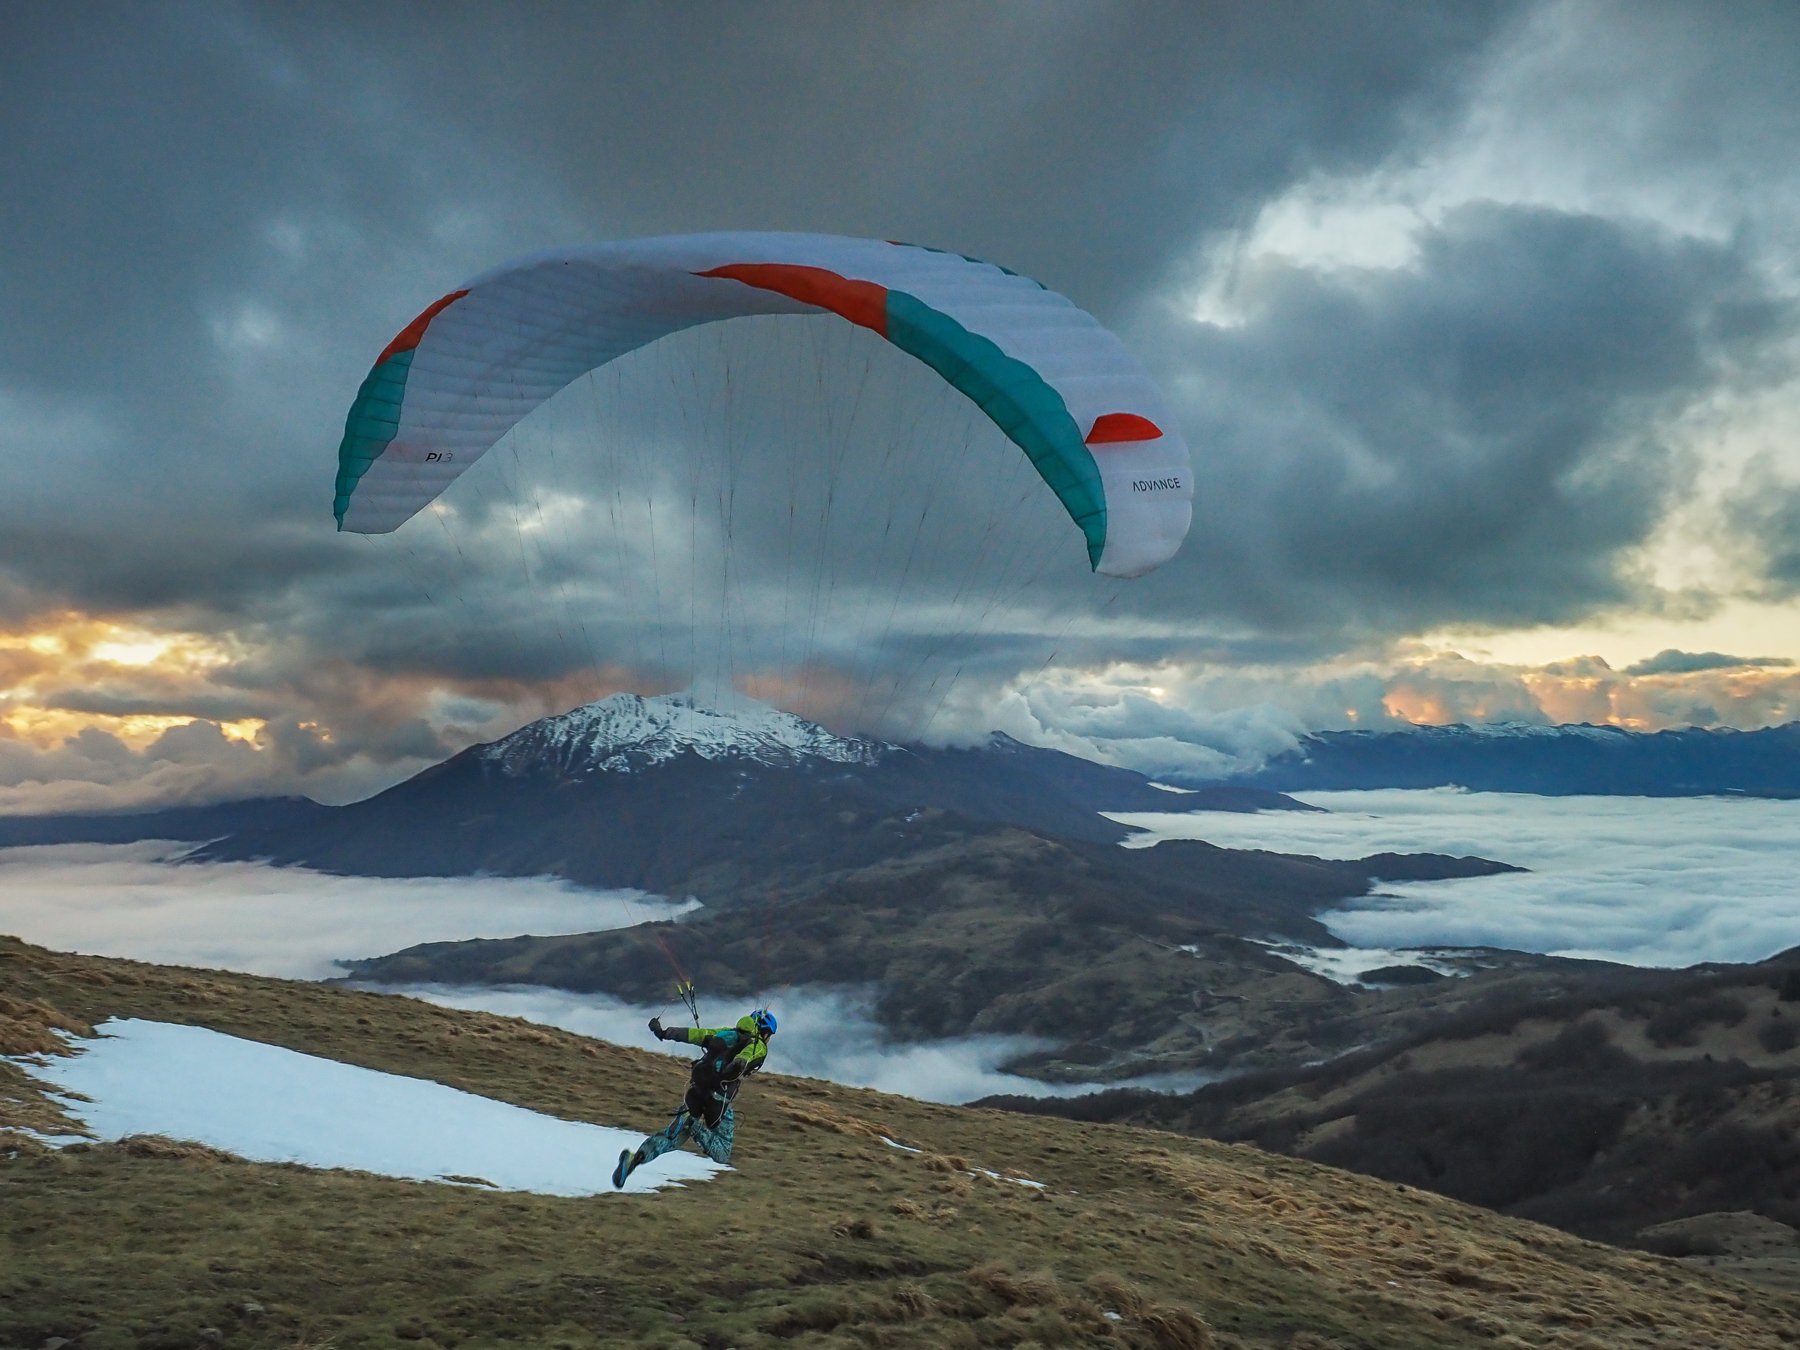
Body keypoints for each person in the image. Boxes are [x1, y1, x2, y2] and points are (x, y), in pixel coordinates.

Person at [612, 1008, 777, 1188]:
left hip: (695, 1092)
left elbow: (695, 1034)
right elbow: (750, 1054)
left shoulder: (724, 1033)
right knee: (722, 1152)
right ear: (765, 1031)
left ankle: (633, 1160)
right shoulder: (758, 1044)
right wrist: (740, 1062)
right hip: (717, 1100)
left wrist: (665, 1032)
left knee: (671, 1139)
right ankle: (692, 1124)